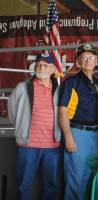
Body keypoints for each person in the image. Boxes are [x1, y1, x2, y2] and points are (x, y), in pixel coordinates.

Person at [7, 53, 61, 200]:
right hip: (27, 145)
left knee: (51, 185)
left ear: (52, 70)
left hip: (52, 146)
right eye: (38, 65)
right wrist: (21, 128)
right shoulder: (22, 87)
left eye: (45, 65)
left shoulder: (59, 89)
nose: (41, 67)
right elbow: (12, 111)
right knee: (24, 184)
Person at [58, 43, 98, 200]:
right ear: (78, 62)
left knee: (91, 178)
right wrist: (68, 136)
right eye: (83, 58)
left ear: (96, 60)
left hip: (94, 135)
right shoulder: (71, 82)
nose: (87, 60)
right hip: (77, 134)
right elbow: (62, 111)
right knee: (75, 180)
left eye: (91, 57)